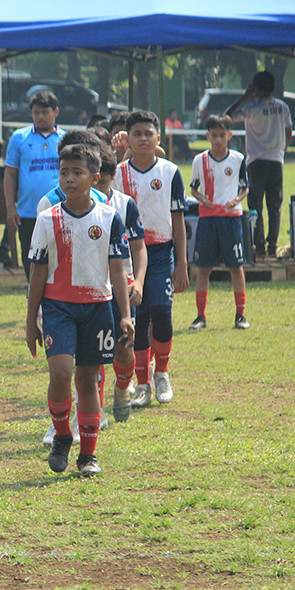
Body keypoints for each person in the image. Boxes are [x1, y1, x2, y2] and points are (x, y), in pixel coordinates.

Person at [25, 143, 134, 477]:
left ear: (95, 177)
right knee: (60, 373)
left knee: (88, 380)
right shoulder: (47, 219)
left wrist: (125, 314)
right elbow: (37, 274)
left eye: (77, 172)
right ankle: (61, 434)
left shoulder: (109, 218)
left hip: (97, 308)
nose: (69, 179)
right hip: (58, 308)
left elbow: (117, 270)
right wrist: (31, 322)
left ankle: (88, 455)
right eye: (64, 172)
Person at [112, 110, 188, 408]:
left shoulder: (169, 171)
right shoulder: (118, 174)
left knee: (162, 312)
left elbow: (178, 219)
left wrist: (181, 263)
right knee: (139, 318)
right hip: (128, 254)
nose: (143, 138)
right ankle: (142, 383)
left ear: (159, 137)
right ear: (128, 140)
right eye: (137, 134)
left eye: (148, 133)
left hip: (160, 252)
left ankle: (162, 373)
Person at [94, 142, 147, 423]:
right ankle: (96, 408)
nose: (99, 186)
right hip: (91, 286)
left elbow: (139, 247)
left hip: (122, 287)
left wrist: (138, 282)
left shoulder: (125, 204)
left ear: (113, 176)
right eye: (95, 180)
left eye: (104, 180)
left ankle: (123, 385)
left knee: (124, 349)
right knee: (94, 351)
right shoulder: (79, 204)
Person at [188, 115, 251, 331]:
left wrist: (237, 199)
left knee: (236, 266)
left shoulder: (238, 159)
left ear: (229, 135)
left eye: (221, 135)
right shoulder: (200, 161)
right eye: (213, 135)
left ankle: (240, 315)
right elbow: (194, 187)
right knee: (203, 268)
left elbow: (245, 187)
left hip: (231, 219)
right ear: (207, 136)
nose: (217, 140)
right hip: (208, 219)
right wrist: (202, 198)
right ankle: (200, 316)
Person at [226, 71, 293, 258]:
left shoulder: (251, 109)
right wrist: (283, 149)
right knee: (275, 205)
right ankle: (273, 245)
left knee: (256, 205)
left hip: (256, 162)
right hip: (276, 160)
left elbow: (225, 117)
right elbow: (288, 131)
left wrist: (244, 97)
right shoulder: (283, 107)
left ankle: (260, 246)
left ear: (255, 88)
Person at [4, 90, 66, 279]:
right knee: (31, 258)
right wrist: (10, 207)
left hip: (60, 210)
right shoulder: (19, 138)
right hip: (29, 211)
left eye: (45, 112)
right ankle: (34, 299)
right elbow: (10, 173)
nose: (40, 117)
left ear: (55, 112)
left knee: (59, 257)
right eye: (36, 113)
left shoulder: (65, 139)